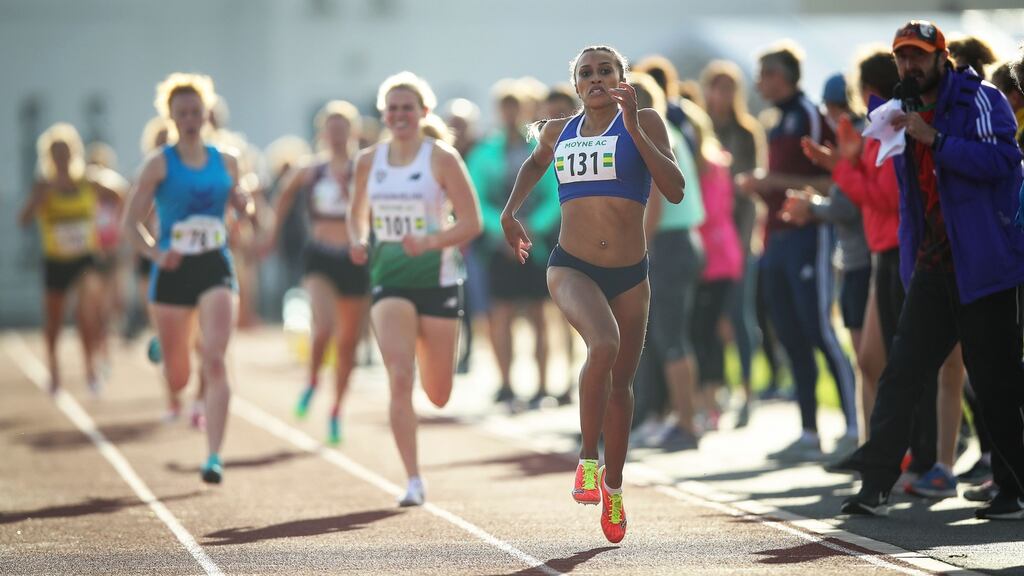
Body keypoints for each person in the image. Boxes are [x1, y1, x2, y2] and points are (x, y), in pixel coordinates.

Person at [840, 21, 1024, 521]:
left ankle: (1013, 487)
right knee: (901, 374)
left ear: (943, 58)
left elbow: (1006, 161)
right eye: (901, 56)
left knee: (996, 382)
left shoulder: (981, 98)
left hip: (984, 268)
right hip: (933, 267)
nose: (909, 65)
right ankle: (877, 484)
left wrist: (937, 139)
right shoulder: (900, 109)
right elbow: (909, 199)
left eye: (918, 55)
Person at [501, 45, 684, 543]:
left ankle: (616, 487)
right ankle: (586, 458)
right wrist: (509, 211)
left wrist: (635, 126)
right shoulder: (559, 130)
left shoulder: (643, 120)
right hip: (571, 266)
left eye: (606, 70)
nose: (597, 78)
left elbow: (675, 188)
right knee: (604, 345)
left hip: (630, 272)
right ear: (577, 85)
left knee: (622, 385)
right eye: (587, 73)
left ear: (623, 79)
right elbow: (535, 163)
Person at [348, 71, 482, 507]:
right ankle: (413, 479)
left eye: (409, 108)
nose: (400, 115)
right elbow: (357, 214)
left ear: (424, 112)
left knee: (438, 393)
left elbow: (471, 222)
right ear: (383, 114)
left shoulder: (440, 158)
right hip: (390, 280)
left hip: (438, 279)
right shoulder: (370, 160)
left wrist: (430, 241)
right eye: (393, 108)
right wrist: (355, 239)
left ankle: (431, 364)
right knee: (399, 376)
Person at [124, 73, 255, 484]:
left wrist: (243, 205)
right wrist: (155, 252)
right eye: (182, 113)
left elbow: (242, 212)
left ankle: (213, 455)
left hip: (214, 265)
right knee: (178, 378)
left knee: (214, 357)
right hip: (173, 270)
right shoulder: (159, 163)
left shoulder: (228, 160)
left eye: (196, 111)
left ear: (207, 113)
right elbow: (131, 224)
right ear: (171, 116)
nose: (190, 119)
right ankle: (166, 346)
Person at [737, 41, 858, 460]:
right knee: (789, 332)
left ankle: (855, 425)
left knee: (820, 329)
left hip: (811, 235)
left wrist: (770, 182)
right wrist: (762, 189)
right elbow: (780, 183)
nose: (759, 81)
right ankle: (809, 432)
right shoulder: (775, 120)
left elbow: (836, 178)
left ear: (786, 76)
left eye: (766, 72)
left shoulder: (810, 114)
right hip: (776, 239)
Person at [262, 101, 370, 446]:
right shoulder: (311, 169)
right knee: (324, 325)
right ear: (323, 133)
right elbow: (281, 198)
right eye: (331, 129)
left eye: (344, 129)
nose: (337, 136)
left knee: (349, 341)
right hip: (320, 256)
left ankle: (337, 408)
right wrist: (270, 235)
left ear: (354, 132)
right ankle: (312, 380)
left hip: (356, 257)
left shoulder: (365, 168)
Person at [783, 71, 870, 458]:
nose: (833, 117)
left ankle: (860, 431)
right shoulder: (850, 138)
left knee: (865, 356)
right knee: (868, 358)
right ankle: (865, 437)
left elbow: (850, 203)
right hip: (856, 257)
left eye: (835, 109)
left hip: (867, 257)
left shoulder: (861, 136)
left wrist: (812, 206)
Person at [468, 80, 560, 408]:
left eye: (515, 107)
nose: (509, 114)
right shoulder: (484, 153)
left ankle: (542, 385)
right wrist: (502, 230)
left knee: (538, 314)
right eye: (504, 107)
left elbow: (555, 194)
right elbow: (476, 198)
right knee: (500, 315)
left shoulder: (541, 148)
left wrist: (533, 227)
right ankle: (506, 384)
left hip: (535, 244)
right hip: (498, 245)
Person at [19, 122, 123, 395]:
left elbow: (120, 193)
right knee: (54, 320)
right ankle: (54, 369)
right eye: (56, 154)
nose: (62, 159)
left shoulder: (87, 181)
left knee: (87, 313)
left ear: (74, 153)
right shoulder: (43, 185)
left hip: (85, 259)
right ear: (49, 157)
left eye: (66, 152)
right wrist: (39, 200)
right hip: (56, 260)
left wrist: (115, 222)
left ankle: (90, 369)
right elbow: (23, 219)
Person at [700, 59, 769, 421]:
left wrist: (744, 245)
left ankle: (747, 389)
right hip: (707, 240)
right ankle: (717, 389)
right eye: (716, 86)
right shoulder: (701, 127)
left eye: (728, 87)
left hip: (739, 238)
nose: (720, 94)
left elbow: (753, 193)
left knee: (740, 317)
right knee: (710, 319)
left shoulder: (746, 131)